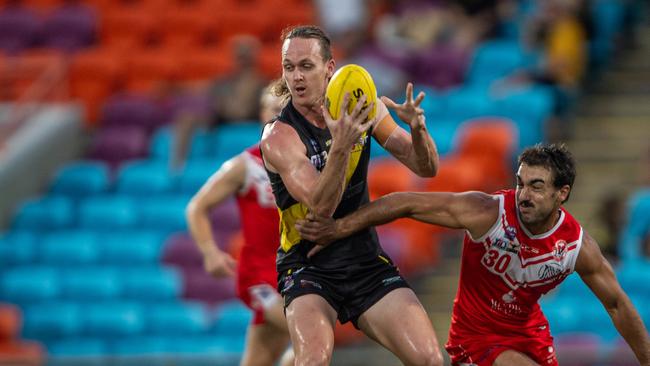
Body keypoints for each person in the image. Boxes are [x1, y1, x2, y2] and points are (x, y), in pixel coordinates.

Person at [296, 143, 650, 366]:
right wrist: (339, 229)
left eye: (537, 186)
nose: (523, 194)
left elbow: (617, 304)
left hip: (529, 336)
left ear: (563, 194)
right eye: (520, 182)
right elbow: (403, 202)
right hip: (475, 335)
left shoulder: (575, 246)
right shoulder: (487, 212)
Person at [260, 25, 443, 366]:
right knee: (312, 360)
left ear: (329, 68)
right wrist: (341, 146)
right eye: (289, 67)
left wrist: (418, 131)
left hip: (363, 260)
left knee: (430, 360)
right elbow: (321, 205)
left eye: (306, 66)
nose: (296, 77)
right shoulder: (279, 136)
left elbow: (425, 167)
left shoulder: (362, 105)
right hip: (308, 265)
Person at [185, 87, 293, 366]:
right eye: (273, 111)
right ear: (262, 115)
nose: (280, 118)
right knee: (308, 335)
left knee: (260, 358)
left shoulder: (305, 165)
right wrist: (210, 252)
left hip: (295, 272)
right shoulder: (245, 165)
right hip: (260, 274)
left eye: (286, 111)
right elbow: (197, 207)